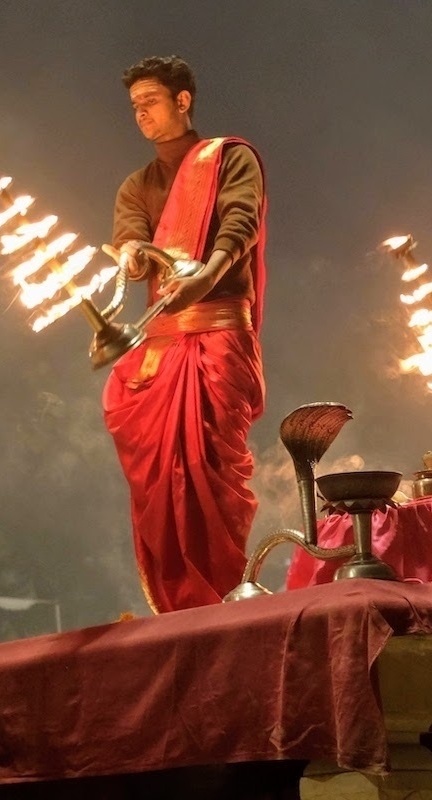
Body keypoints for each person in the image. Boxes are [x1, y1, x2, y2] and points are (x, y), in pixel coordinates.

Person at [103, 55, 267, 612]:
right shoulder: (137, 185)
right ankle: (179, 610)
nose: (141, 114)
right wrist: (131, 256)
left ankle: (224, 600)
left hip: (219, 336)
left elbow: (240, 225)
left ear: (182, 100)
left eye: (150, 102)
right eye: (134, 107)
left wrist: (207, 275)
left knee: (211, 472)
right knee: (159, 482)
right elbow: (130, 239)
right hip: (162, 347)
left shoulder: (230, 159)